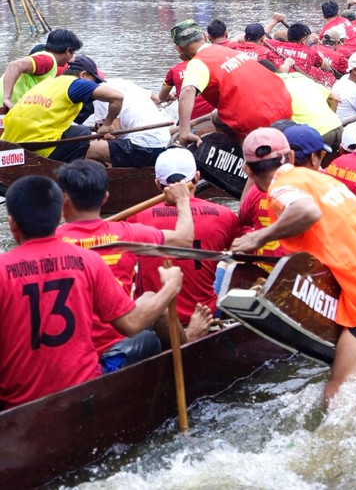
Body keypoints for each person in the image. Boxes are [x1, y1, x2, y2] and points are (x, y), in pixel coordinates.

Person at [229, 127, 356, 404]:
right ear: (291, 156)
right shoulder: (316, 177)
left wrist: (256, 238)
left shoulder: (280, 189)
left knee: (337, 394)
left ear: (248, 169)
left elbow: (307, 211)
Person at [0, 175, 184, 408]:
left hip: (16, 409)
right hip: (84, 394)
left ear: (12, 223)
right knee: (146, 339)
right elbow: (131, 324)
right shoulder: (88, 260)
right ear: (59, 214)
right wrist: (170, 287)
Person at [54, 159, 196, 369]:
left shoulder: (51, 240)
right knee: (154, 299)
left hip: (67, 349)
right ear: (105, 198)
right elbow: (185, 240)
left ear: (63, 200)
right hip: (114, 343)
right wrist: (183, 200)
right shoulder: (126, 234)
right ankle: (190, 354)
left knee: (147, 297)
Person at [132, 148, 239, 323]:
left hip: (154, 318)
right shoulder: (225, 215)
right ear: (197, 177)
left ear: (158, 184)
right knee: (227, 263)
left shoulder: (137, 217)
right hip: (205, 314)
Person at [169, 19, 292, 146]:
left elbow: (187, 90)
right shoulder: (229, 50)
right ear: (205, 36)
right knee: (216, 116)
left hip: (258, 120)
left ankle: (242, 152)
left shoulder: (198, 62)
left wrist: (184, 132)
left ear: (178, 49)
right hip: (284, 108)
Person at [0, 55, 125, 164]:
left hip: (9, 143)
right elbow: (117, 97)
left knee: (79, 130)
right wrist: (107, 125)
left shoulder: (47, 82)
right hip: (38, 147)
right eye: (94, 80)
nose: (95, 84)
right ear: (83, 74)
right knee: (84, 134)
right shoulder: (77, 83)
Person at [1, 28, 83, 112]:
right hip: (5, 106)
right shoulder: (48, 59)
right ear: (67, 50)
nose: (71, 58)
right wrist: (7, 98)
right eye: (73, 53)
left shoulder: (47, 59)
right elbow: (14, 65)